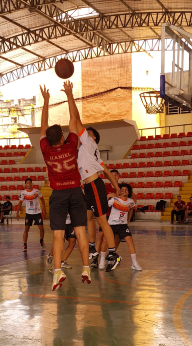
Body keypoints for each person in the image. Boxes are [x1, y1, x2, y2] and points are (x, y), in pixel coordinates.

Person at [39, 82, 91, 291]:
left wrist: (45, 101)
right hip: (76, 193)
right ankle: (86, 267)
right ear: (62, 137)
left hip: (58, 194)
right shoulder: (71, 144)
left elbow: (43, 125)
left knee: (58, 235)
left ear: (48, 141)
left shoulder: (45, 149)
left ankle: (57, 271)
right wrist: (70, 95)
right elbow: (73, 119)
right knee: (80, 232)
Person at [69, 86, 121, 271]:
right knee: (88, 218)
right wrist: (117, 187)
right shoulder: (92, 154)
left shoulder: (89, 142)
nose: (85, 132)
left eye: (88, 131)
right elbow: (106, 171)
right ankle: (92, 250)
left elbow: (76, 119)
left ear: (93, 137)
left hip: (94, 185)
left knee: (101, 220)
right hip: (88, 187)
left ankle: (113, 254)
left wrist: (69, 95)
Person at [106, 183, 142, 271]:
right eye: (122, 189)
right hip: (111, 224)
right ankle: (106, 260)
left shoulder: (131, 201)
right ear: (119, 191)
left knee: (130, 240)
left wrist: (128, 219)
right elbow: (104, 206)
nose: (124, 191)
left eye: (126, 189)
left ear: (129, 192)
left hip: (122, 225)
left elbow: (131, 209)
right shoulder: (114, 200)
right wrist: (108, 196)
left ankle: (134, 262)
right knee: (108, 242)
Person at [16, 178, 46, 251]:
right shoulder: (23, 193)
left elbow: (42, 200)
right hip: (28, 213)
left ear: (32, 184)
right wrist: (17, 212)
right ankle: (25, 245)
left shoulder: (36, 191)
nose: (29, 184)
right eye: (27, 183)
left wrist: (43, 209)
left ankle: (41, 240)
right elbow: (20, 203)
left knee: (41, 228)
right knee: (26, 229)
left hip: (37, 213)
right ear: (25, 184)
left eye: (30, 183)